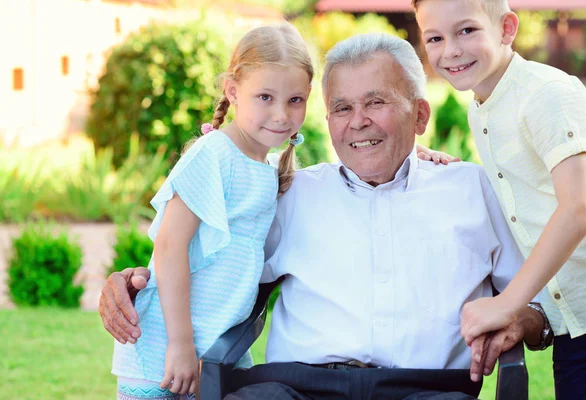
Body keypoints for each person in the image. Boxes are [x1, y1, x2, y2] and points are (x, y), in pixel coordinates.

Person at [100, 34, 548, 399]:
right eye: (342, 108)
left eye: (376, 103)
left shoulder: (473, 189)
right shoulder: (290, 192)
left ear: (420, 115)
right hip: (295, 388)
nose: (358, 122)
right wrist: (136, 280)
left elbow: (541, 300)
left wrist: (525, 320)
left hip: (425, 389)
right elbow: (211, 257)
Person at [110, 22, 314, 400]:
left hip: (218, 350)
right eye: (265, 97)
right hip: (164, 353)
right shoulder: (215, 155)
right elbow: (170, 247)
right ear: (233, 91)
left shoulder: (267, 171)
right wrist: (181, 344)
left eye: (295, 100)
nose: (282, 114)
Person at [413, 1, 586, 397]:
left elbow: (578, 208)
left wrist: (507, 304)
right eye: (435, 38)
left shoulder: (545, 94)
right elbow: (526, 193)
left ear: (507, 28)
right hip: (577, 324)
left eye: (466, 31)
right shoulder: (483, 107)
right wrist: (445, 166)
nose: (451, 50)